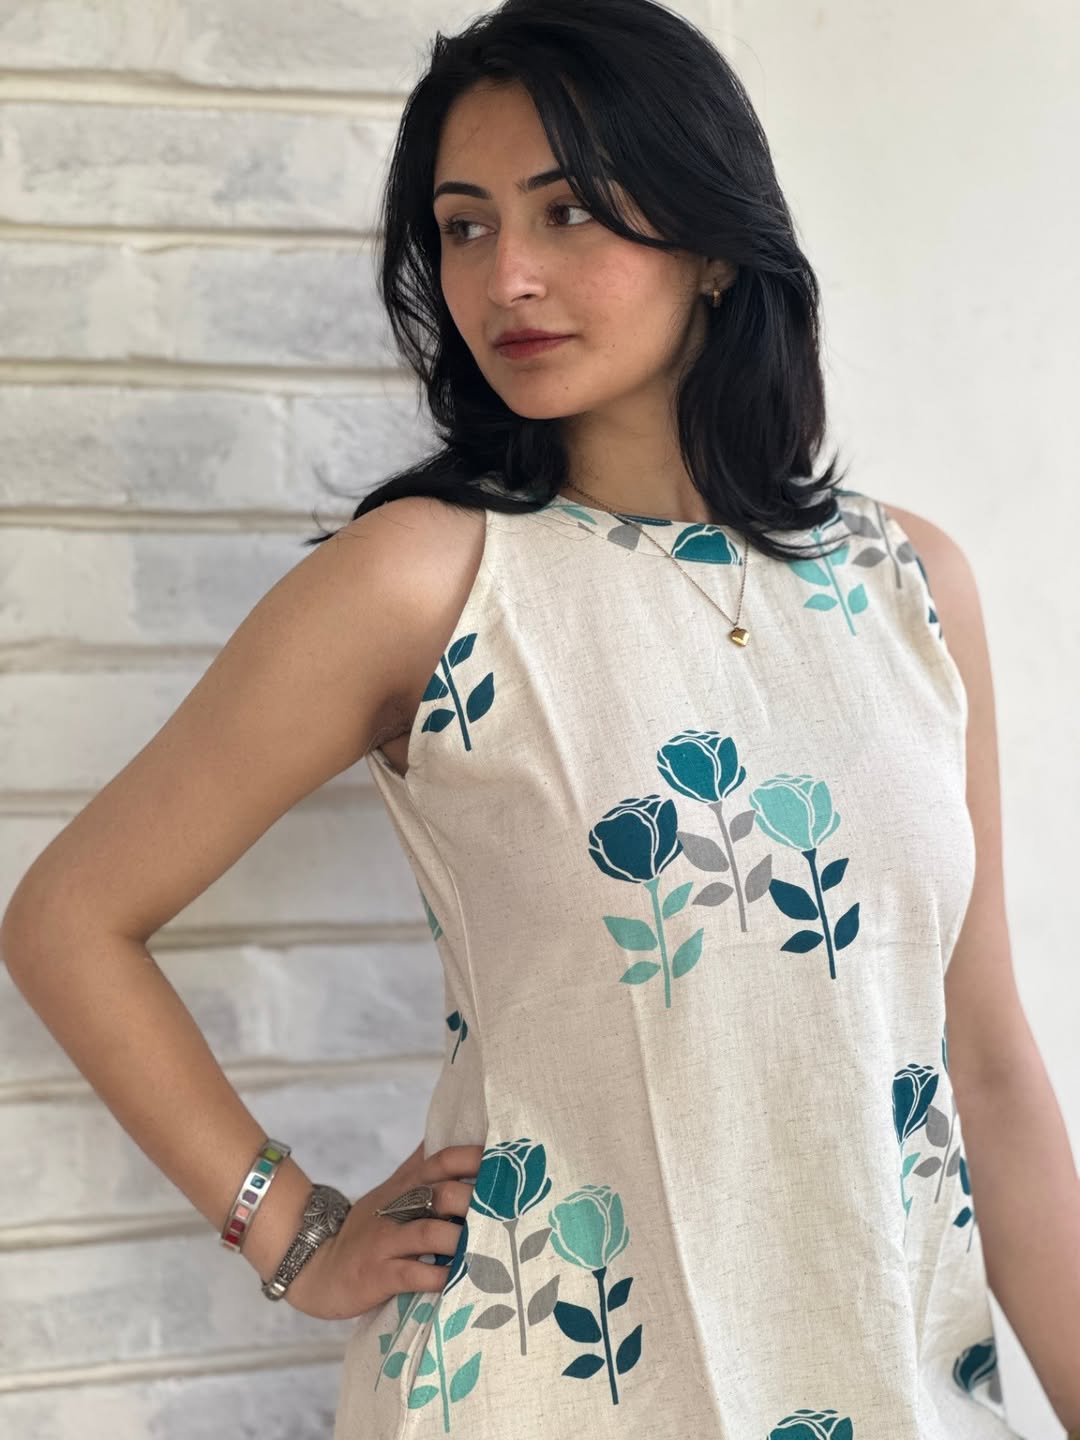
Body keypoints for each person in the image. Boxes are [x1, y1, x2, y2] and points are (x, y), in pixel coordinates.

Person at [2, 1, 1077, 1437]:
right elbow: (69, 918)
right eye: (464, 226)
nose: (505, 275)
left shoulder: (912, 584)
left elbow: (986, 1065)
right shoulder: (427, 584)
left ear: (711, 243)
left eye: (567, 211)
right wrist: (291, 1228)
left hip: (892, 1388)